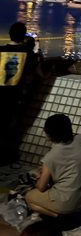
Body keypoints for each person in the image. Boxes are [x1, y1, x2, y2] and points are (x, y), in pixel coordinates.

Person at [25, 114, 81, 216]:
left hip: (67, 202)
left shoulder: (51, 157)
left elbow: (41, 187)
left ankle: (58, 216)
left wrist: (38, 176)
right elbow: (67, 162)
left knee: (29, 197)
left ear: (49, 134)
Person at [0, 23, 41, 164]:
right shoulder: (28, 54)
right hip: (15, 96)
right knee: (10, 126)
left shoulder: (1, 50)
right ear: (23, 36)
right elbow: (33, 74)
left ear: (9, 34)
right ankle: (6, 156)